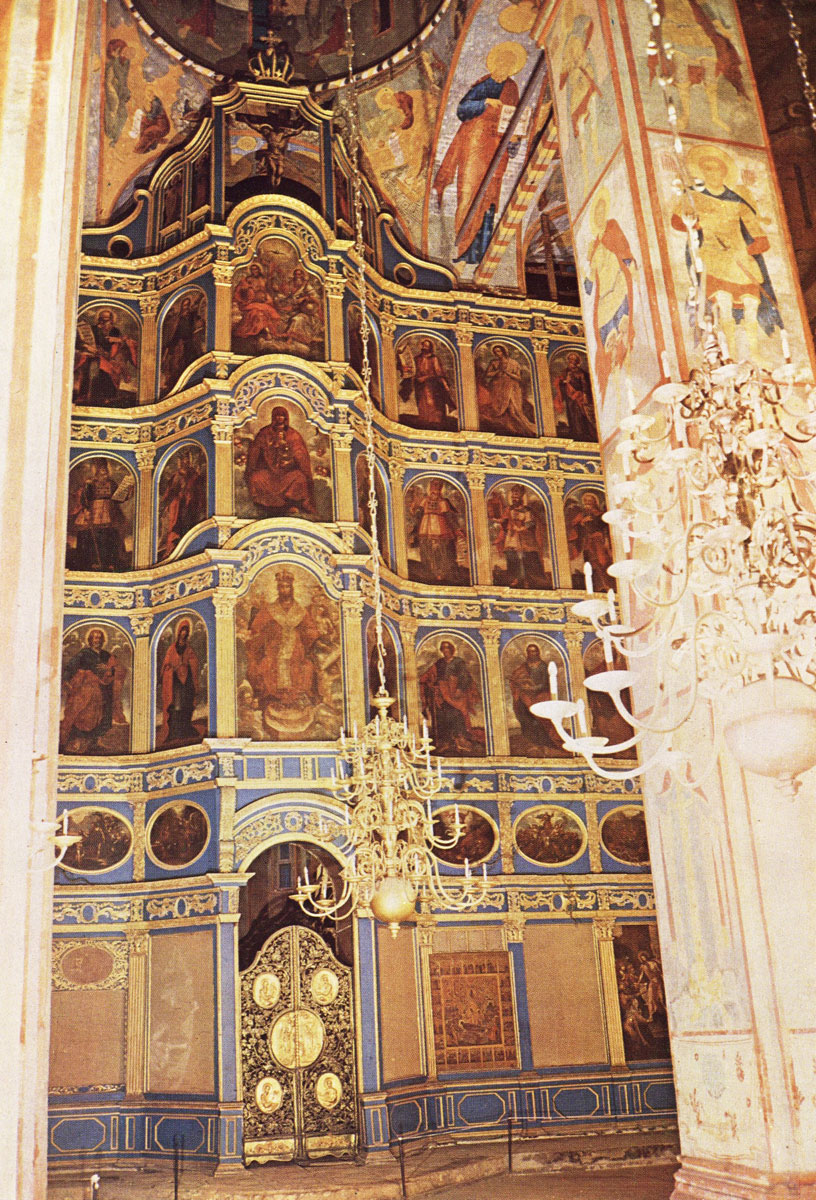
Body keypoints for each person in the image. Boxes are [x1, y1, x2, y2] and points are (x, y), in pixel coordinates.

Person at [671, 143, 782, 359]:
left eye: (717, 169)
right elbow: (677, 220)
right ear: (702, 172)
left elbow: (757, 233)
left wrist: (752, 248)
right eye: (708, 169)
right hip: (712, 254)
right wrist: (695, 225)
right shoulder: (693, 197)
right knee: (724, 303)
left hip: (739, 257)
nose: (713, 173)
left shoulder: (737, 202)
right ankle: (729, 355)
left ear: (724, 172)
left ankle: (755, 356)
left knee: (751, 304)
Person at [433, 41, 527, 264]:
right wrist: (485, 102)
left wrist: (515, 139)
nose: (504, 66)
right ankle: (463, 246)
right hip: (473, 145)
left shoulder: (512, 88)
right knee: (468, 194)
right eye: (502, 61)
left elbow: (515, 118)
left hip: (496, 148)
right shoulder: (484, 84)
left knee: (490, 197)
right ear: (495, 63)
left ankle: (479, 252)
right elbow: (462, 109)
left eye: (509, 63)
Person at [241, 569, 323, 740]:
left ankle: (296, 699)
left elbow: (311, 631)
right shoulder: (269, 610)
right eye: (282, 587)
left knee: (306, 668)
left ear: (292, 589)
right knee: (266, 667)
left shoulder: (300, 610)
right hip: (274, 650)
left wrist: (303, 635)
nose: (285, 590)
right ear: (278, 590)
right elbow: (256, 629)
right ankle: (273, 699)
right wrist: (266, 634)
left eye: (288, 587)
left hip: (296, 651)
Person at [582, 188, 636, 397]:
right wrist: (587, 274)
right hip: (604, 292)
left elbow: (623, 249)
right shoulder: (593, 245)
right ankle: (613, 361)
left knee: (621, 320)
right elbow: (590, 282)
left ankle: (624, 355)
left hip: (618, 280)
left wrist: (630, 263)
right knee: (602, 325)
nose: (599, 216)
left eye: (601, 211)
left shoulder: (612, 228)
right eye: (596, 213)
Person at [60, 628, 126, 754]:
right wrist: (66, 679)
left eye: (100, 638)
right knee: (83, 713)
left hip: (104, 689)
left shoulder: (107, 655)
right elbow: (71, 666)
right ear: (90, 640)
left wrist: (109, 669)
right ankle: (78, 741)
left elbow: (119, 669)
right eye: (95, 638)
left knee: (103, 715)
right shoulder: (84, 654)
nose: (97, 640)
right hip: (87, 689)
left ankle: (97, 741)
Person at [245, 406, 315, 518]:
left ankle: (290, 505)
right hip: (269, 473)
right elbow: (255, 452)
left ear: (286, 417)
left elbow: (300, 455)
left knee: (300, 478)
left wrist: (290, 461)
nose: (279, 418)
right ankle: (266, 506)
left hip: (287, 474)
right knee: (256, 478)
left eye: (282, 416)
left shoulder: (294, 435)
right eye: (277, 415)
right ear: (273, 417)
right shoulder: (264, 433)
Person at [420, 640, 482, 756]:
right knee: (442, 715)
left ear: (452, 650)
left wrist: (459, 689)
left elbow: (464, 676)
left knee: (456, 714)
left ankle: (461, 739)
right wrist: (424, 680)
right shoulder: (439, 663)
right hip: (442, 694)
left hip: (455, 693)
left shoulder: (458, 662)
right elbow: (430, 674)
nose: (445, 651)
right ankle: (446, 742)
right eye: (443, 649)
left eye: (447, 648)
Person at [68, 460, 132, 572]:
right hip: (94, 513)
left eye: (105, 469)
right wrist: (86, 510)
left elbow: (118, 498)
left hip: (109, 513)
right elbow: (84, 498)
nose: (103, 472)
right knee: (90, 536)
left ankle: (109, 562)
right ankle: (92, 562)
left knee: (110, 536)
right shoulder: (90, 484)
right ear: (96, 470)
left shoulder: (112, 483)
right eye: (101, 469)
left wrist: (128, 489)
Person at [509, 642, 568, 756]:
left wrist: (533, 688)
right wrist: (519, 683)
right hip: (527, 697)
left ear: (538, 652)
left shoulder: (543, 666)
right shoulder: (524, 666)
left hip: (541, 696)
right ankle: (533, 742)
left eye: (534, 651)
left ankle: (548, 744)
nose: (532, 653)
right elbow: (515, 678)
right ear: (527, 653)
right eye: (530, 651)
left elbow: (545, 683)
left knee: (542, 720)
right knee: (525, 717)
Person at [73, 308, 138, 407]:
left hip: (109, 356)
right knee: (93, 364)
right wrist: (88, 347)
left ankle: (108, 396)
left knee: (109, 366)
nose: (103, 322)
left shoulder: (115, 331)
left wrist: (117, 340)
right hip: (94, 354)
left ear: (111, 320)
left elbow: (120, 345)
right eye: (101, 319)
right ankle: (87, 396)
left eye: (106, 320)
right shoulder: (94, 329)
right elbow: (83, 342)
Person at [490, 484, 551, 589]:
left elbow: (530, 523)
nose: (514, 499)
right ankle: (516, 578)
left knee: (527, 557)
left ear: (521, 498)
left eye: (516, 497)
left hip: (526, 539)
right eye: (513, 497)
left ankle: (530, 579)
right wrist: (496, 520)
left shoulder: (527, 511)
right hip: (512, 538)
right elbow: (504, 520)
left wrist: (521, 528)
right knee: (511, 555)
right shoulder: (509, 510)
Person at [409, 478, 465, 585]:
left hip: (441, 528)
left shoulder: (443, 502)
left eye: (437, 489)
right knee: (428, 549)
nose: (434, 492)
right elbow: (419, 513)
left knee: (441, 550)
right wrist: (414, 512)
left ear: (440, 490)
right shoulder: (425, 500)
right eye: (433, 489)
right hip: (425, 528)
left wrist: (456, 528)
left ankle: (441, 573)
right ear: (430, 489)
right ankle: (430, 571)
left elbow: (449, 516)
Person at [159, 619, 202, 747]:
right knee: (175, 705)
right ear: (178, 632)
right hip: (175, 681)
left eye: (186, 631)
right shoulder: (172, 649)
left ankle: (186, 729)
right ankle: (174, 731)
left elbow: (194, 661)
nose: (184, 633)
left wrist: (187, 664)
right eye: (182, 631)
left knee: (186, 704)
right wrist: (172, 667)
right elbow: (166, 664)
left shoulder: (189, 649)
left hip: (187, 679)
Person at [478, 344, 534, 435]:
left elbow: (518, 377)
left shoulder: (513, 363)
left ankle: (522, 428)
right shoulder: (494, 362)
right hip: (497, 386)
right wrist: (498, 371)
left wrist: (508, 373)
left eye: (499, 351)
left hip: (511, 386)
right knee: (498, 407)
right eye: (495, 352)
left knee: (513, 409)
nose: (497, 353)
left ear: (503, 351)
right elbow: (488, 374)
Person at [568, 490, 613, 591]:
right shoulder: (582, 515)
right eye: (586, 501)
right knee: (591, 563)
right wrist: (581, 523)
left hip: (599, 541)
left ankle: (608, 584)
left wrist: (603, 536)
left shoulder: (602, 514)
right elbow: (573, 526)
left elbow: (606, 528)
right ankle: (598, 586)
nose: (588, 503)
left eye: (590, 500)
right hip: (588, 543)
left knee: (603, 561)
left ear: (595, 502)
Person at [161, 294, 205, 394]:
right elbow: (173, 333)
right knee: (174, 364)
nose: (186, 307)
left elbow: (198, 319)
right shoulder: (177, 319)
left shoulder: (192, 316)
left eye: (188, 305)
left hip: (189, 343)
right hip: (178, 343)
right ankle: (172, 382)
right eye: (185, 305)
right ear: (182, 307)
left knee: (190, 361)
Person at [232, 262, 282, 351]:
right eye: (252, 269)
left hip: (262, 301)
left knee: (266, 312)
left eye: (256, 269)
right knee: (257, 313)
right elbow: (240, 290)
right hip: (250, 302)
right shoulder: (247, 279)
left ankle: (266, 331)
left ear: (259, 270)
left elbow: (268, 289)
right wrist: (248, 291)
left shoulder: (263, 279)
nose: (254, 271)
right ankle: (260, 332)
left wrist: (266, 298)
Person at [412, 339, 456, 429]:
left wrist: (443, 383)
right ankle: (424, 419)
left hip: (431, 383)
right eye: (423, 345)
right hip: (419, 384)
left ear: (430, 348)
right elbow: (413, 370)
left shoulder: (434, 358)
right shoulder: (417, 359)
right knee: (421, 402)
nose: (425, 347)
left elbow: (438, 372)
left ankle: (436, 421)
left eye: (427, 346)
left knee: (432, 402)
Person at [554, 350, 597, 441]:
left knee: (581, 413)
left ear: (577, 361)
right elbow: (561, 383)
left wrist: (584, 394)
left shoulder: (581, 372)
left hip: (579, 396)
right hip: (570, 397)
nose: (572, 361)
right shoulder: (565, 372)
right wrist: (564, 382)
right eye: (570, 359)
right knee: (572, 414)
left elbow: (585, 384)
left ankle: (584, 432)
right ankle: (575, 431)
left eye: (574, 360)